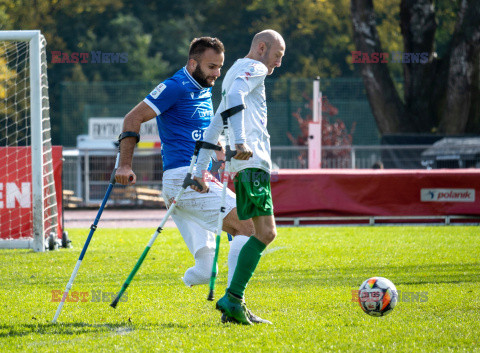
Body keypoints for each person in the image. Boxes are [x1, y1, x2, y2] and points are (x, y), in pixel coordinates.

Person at [114, 37, 258, 308]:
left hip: (197, 178)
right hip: (184, 179)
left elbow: (206, 135)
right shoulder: (174, 86)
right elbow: (132, 118)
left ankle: (203, 279)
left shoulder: (204, 88)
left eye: (220, 67)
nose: (217, 73)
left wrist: (223, 151)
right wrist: (124, 164)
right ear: (193, 64)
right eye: (211, 66)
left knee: (206, 270)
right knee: (249, 226)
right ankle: (234, 303)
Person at [193, 29, 286, 325]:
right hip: (252, 162)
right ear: (262, 48)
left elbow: (213, 126)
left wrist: (198, 171)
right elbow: (234, 97)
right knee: (266, 233)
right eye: (278, 55)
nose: (278, 63)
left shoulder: (233, 71)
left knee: (259, 233)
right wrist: (241, 142)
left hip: (244, 167)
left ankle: (235, 301)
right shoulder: (255, 67)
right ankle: (233, 299)